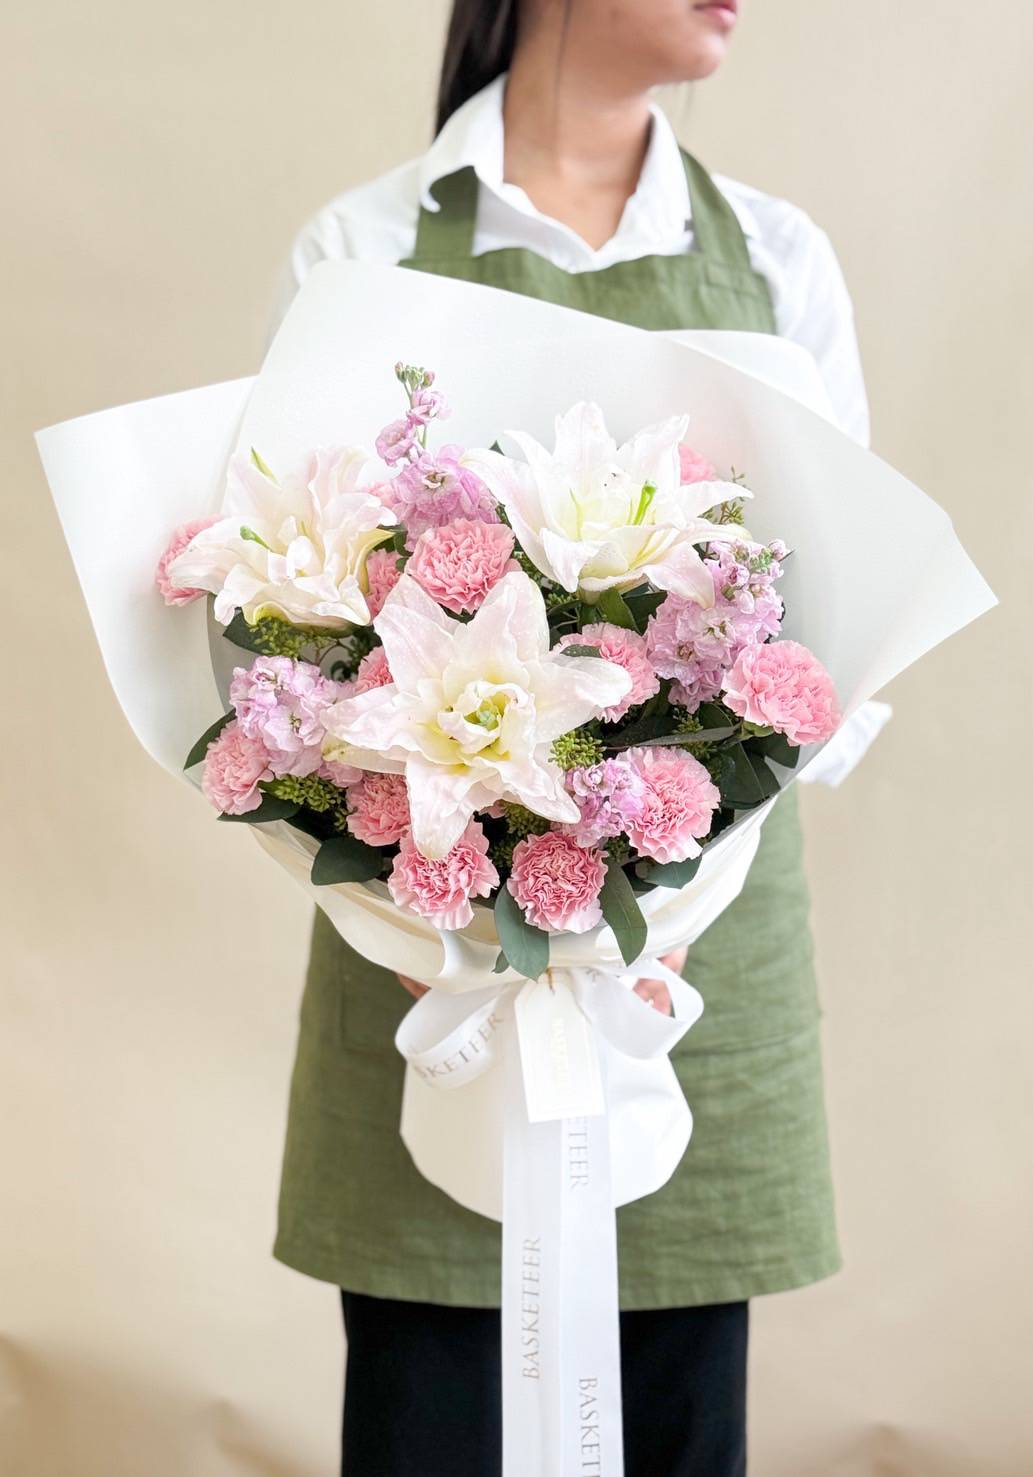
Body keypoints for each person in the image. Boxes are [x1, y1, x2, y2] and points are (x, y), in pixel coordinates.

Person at [271, 3, 869, 1474]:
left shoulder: (776, 262)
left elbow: (844, 644)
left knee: (673, 1418)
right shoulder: (359, 252)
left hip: (686, 970)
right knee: (429, 1414)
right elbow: (276, 608)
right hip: (429, 967)